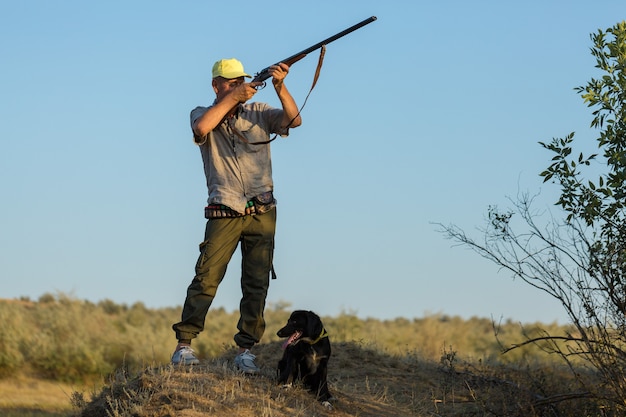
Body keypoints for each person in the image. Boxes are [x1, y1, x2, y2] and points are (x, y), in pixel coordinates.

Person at [171, 58, 302, 373]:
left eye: (239, 81)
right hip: (224, 208)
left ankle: (246, 350)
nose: (236, 86)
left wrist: (280, 86)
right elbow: (201, 128)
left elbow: (293, 121)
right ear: (216, 85)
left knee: (256, 283)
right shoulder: (202, 113)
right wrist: (234, 97)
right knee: (206, 277)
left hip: (262, 209)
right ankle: (184, 346)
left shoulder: (258, 112)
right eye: (230, 82)